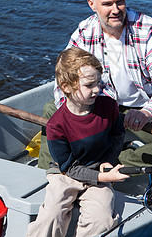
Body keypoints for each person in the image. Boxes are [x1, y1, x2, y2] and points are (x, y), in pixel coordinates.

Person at [38, 0, 152, 170]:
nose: (116, 10)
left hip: (142, 106)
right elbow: (64, 82)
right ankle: (49, 172)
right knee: (52, 110)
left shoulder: (147, 28)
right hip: (100, 103)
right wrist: (74, 121)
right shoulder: (83, 33)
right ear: (92, 4)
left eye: (120, 1)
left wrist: (148, 112)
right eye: (107, 4)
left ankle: (113, 162)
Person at [26, 47, 129, 237]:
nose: (97, 89)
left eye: (98, 82)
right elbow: (69, 168)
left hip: (98, 169)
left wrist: (109, 161)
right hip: (65, 173)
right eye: (89, 85)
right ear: (66, 87)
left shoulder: (109, 106)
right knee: (51, 215)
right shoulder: (56, 125)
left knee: (102, 220)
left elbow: (117, 134)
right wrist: (104, 178)